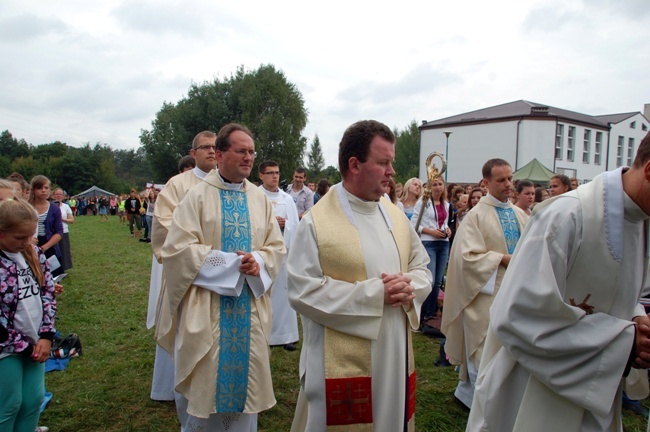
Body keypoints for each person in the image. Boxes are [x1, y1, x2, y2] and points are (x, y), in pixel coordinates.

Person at [466, 132, 650, 432]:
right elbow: (515, 316)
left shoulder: (640, 220)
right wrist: (624, 343)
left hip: (595, 388)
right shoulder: (567, 215)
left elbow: (614, 292)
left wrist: (637, 321)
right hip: (533, 393)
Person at [287, 120, 432, 431]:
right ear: (354, 164)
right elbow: (302, 290)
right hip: (340, 360)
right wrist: (374, 294)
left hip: (394, 350)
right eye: (383, 162)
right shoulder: (317, 222)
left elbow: (421, 266)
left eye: (391, 162)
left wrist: (410, 288)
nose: (392, 171)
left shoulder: (394, 215)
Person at [156, 123, 285, 431]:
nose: (249, 158)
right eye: (241, 151)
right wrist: (229, 265)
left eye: (252, 152)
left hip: (248, 309)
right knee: (205, 392)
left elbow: (275, 247)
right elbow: (177, 250)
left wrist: (259, 262)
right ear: (221, 153)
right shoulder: (197, 197)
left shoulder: (259, 199)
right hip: (208, 307)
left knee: (244, 401)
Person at [440, 158, 528, 408]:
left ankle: (487, 397)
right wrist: (501, 258)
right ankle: (477, 401)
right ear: (486, 183)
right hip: (484, 294)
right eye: (501, 180)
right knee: (482, 349)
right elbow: (466, 259)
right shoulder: (476, 216)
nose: (508, 184)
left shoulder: (521, 215)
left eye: (510, 178)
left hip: (515, 294)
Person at [147, 131, 219, 402]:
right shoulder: (177, 185)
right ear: (193, 153)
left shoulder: (227, 184)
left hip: (218, 274)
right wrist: (202, 248)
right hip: (186, 273)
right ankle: (173, 387)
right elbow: (165, 224)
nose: (211, 152)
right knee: (180, 330)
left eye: (215, 147)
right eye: (205, 147)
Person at [0, 198, 56, 432]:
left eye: (30, 236)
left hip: (36, 342)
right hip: (7, 349)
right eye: (19, 238)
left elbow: (48, 292)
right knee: (9, 404)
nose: (26, 243)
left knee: (33, 401)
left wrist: (46, 334)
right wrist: (22, 345)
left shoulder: (33, 254)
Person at [258, 160, 300, 351]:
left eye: (276, 172)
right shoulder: (255, 196)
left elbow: (296, 227)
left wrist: (285, 225)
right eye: (269, 173)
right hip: (263, 253)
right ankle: (263, 333)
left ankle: (286, 335)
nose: (274, 176)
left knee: (283, 293)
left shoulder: (287, 199)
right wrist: (271, 224)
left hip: (283, 254)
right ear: (261, 175)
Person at [410, 177, 452, 327]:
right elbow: (414, 223)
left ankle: (430, 314)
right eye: (435, 185)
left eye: (440, 184)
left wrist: (447, 230)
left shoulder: (446, 204)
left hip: (443, 243)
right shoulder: (423, 203)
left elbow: (445, 222)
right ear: (429, 187)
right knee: (431, 280)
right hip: (429, 242)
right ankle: (423, 313)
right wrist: (430, 231)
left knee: (439, 282)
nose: (438, 187)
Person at [29, 176, 64, 278]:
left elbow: (59, 232)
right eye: (40, 188)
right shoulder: (26, 206)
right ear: (33, 190)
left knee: (51, 279)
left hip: (49, 246)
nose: (43, 191)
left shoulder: (54, 208)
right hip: (28, 244)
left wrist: (45, 247)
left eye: (46, 188)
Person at [51, 188, 74, 271]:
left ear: (63, 196)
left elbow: (71, 220)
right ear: (53, 195)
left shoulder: (66, 207)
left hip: (63, 231)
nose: (58, 196)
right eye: (56, 194)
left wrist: (62, 219)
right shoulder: (50, 205)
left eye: (60, 194)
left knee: (63, 251)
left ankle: (63, 268)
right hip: (52, 232)